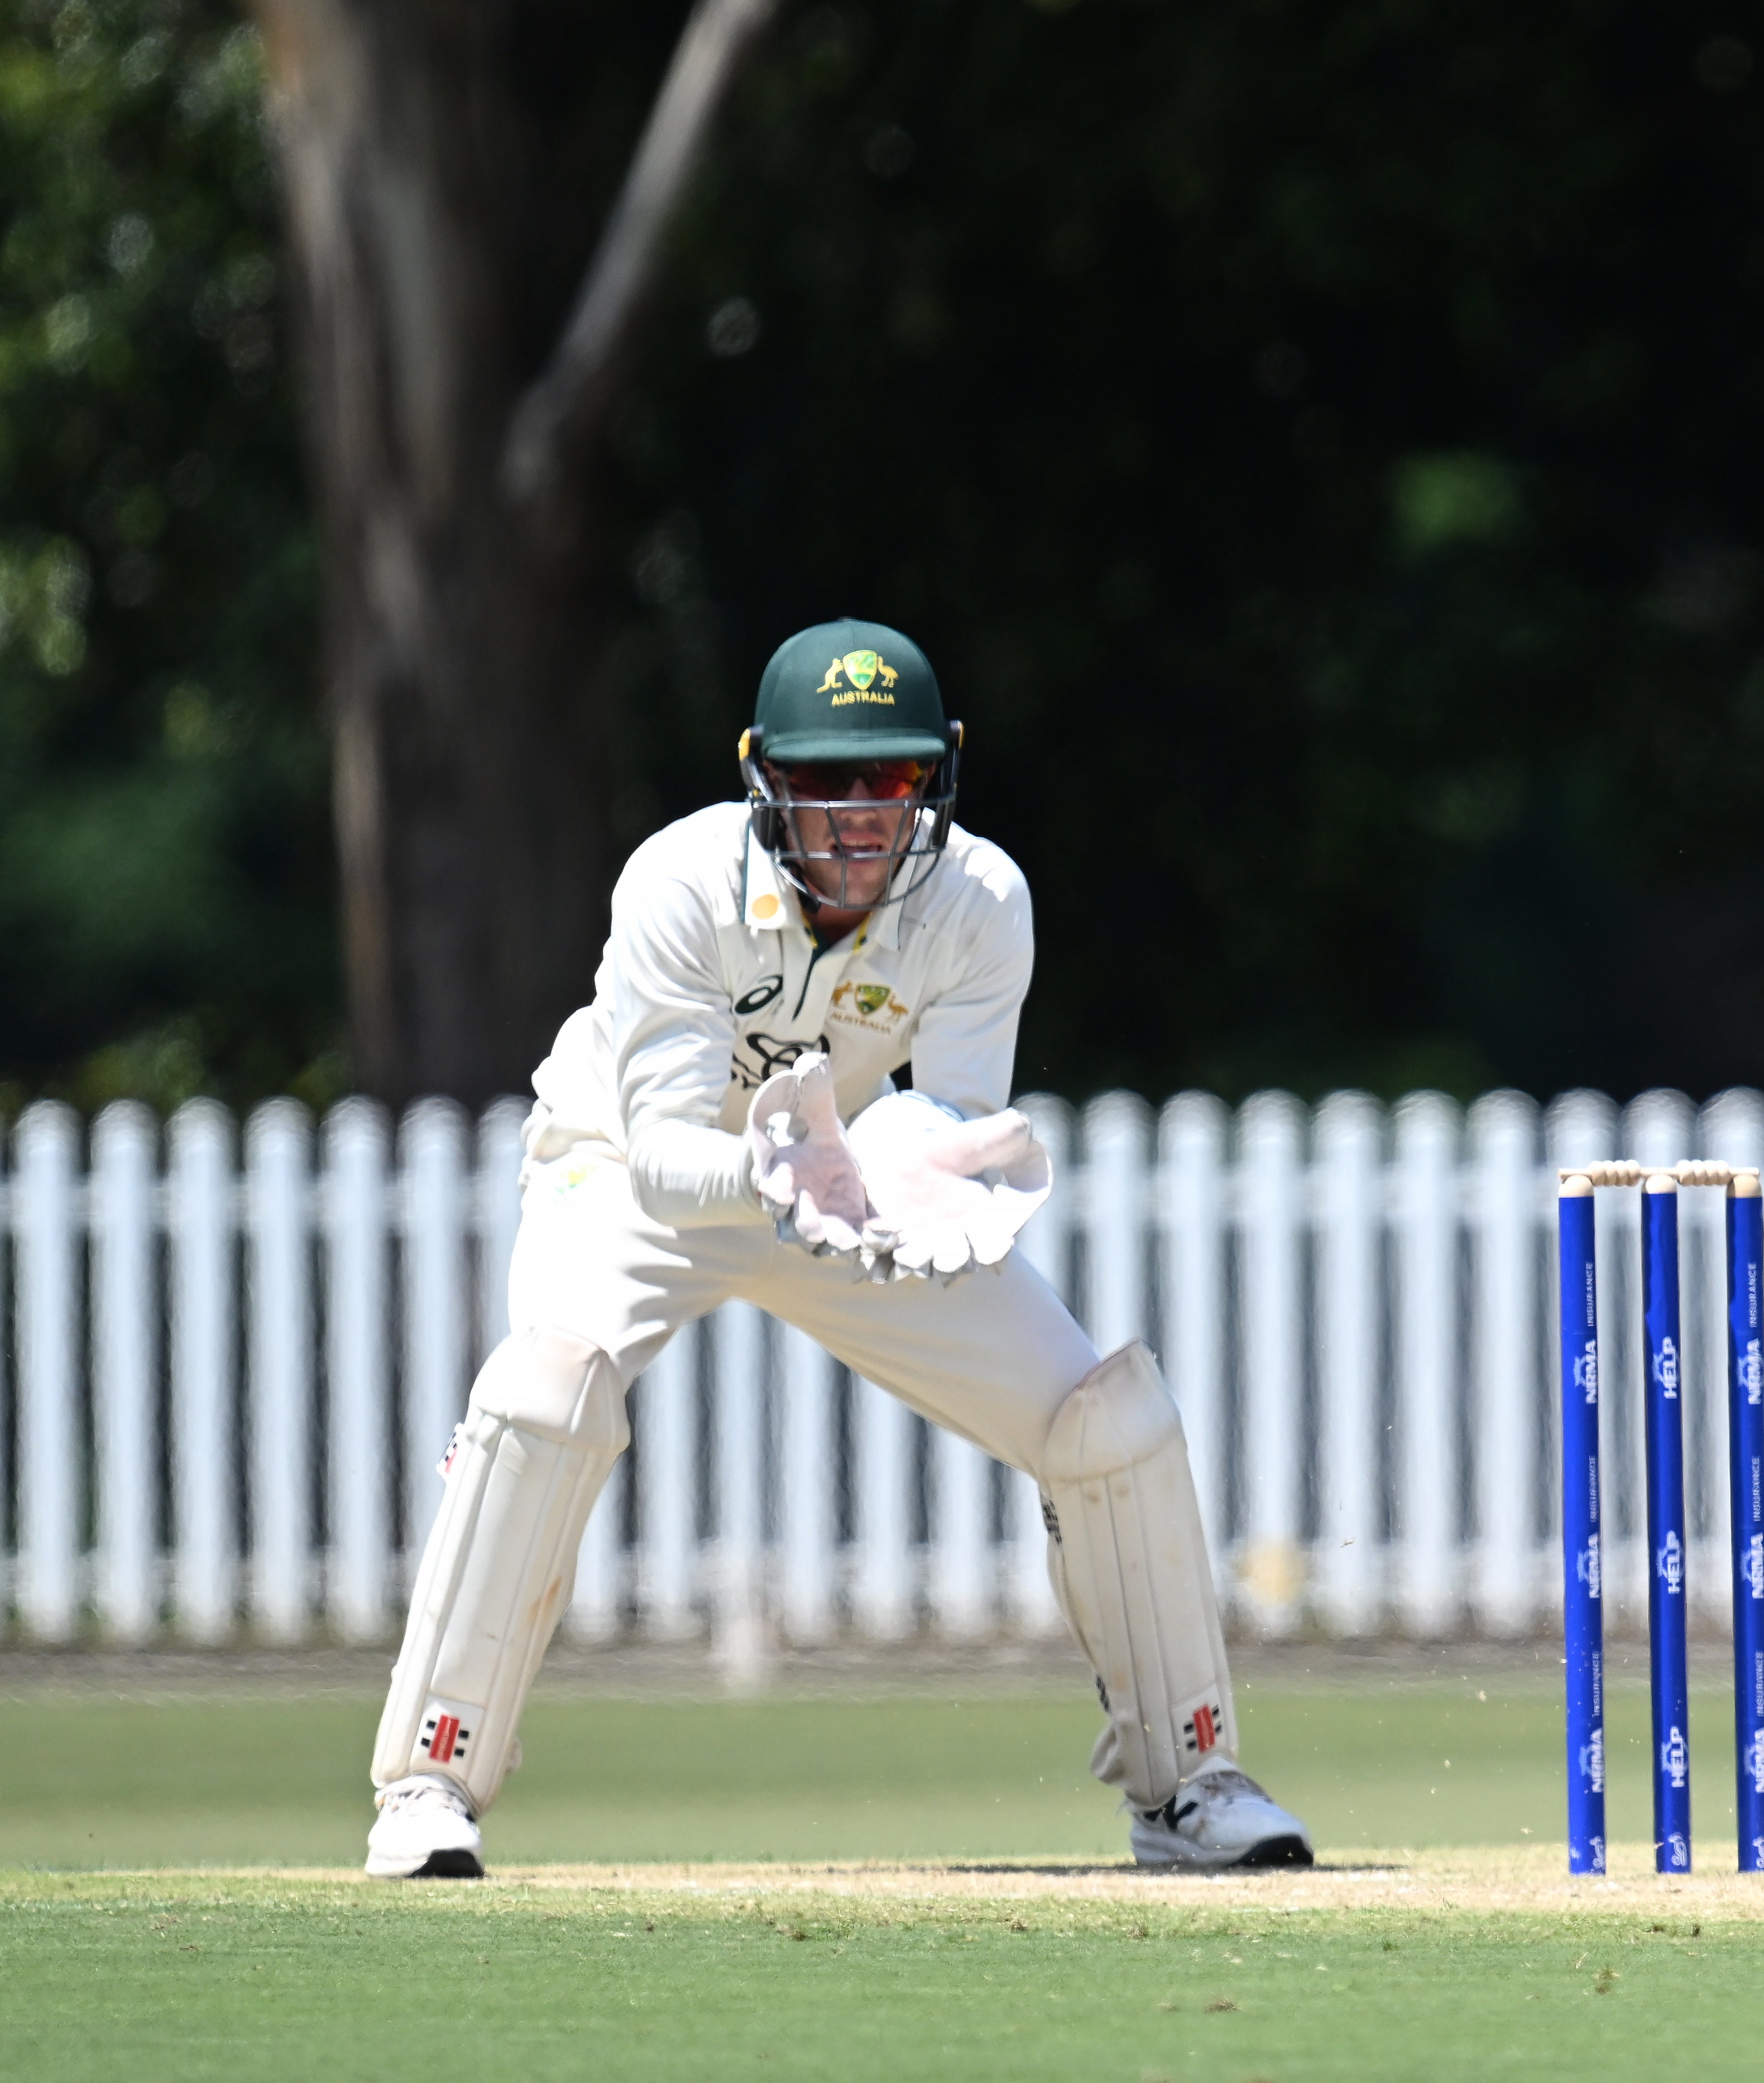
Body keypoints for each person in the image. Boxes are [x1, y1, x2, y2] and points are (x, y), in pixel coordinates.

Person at [362, 620, 1311, 1878]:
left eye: (896, 780)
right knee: (547, 1396)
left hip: (839, 1183)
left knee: (1106, 1416)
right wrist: (788, 1171)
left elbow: (954, 1120)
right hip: (637, 1179)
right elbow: (658, 1154)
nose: (864, 815)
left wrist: (914, 1172)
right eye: (828, 783)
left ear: (937, 780)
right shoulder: (678, 884)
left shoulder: (981, 902)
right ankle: (430, 1782)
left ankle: (1187, 1781)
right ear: (768, 779)